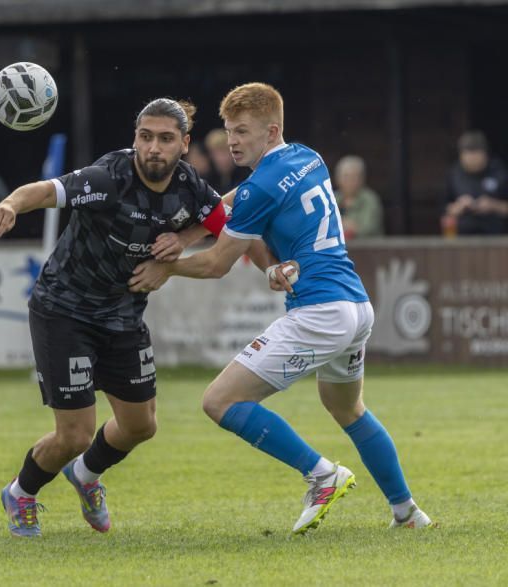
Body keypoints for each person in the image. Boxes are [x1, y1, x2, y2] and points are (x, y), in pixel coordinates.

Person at [129, 83, 433, 532]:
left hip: (321, 312)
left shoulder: (260, 186)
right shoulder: (307, 157)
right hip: (354, 305)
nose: (232, 140)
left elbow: (217, 264)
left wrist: (167, 268)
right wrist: (266, 265)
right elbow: (248, 202)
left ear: (271, 131)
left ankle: (322, 475)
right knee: (348, 409)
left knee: (219, 401)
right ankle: (407, 512)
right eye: (229, 130)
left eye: (243, 132)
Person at [0, 98, 232, 537]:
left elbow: (225, 220)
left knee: (141, 425)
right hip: (65, 310)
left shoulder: (191, 187)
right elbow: (44, 191)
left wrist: (183, 238)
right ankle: (21, 493)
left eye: (165, 139)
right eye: (145, 136)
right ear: (135, 137)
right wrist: (9, 204)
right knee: (75, 434)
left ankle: (84, 476)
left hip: (123, 314)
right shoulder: (107, 178)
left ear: (184, 144)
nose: (153, 148)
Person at [442, 130, 508, 235]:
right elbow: (444, 209)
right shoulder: (453, 174)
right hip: (462, 237)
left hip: (496, 237)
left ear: (485, 154)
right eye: (468, 155)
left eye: (475, 155)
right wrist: (459, 206)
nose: (472, 160)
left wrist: (494, 205)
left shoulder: (500, 172)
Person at [334, 155, 384, 239]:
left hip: (367, 249)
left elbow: (368, 228)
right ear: (338, 178)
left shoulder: (370, 199)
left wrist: (343, 224)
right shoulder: (332, 198)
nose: (350, 181)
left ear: (362, 179)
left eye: (354, 177)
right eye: (346, 176)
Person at [205, 127, 247, 193]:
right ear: (211, 155)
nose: (223, 158)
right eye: (218, 153)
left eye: (226, 151)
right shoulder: (206, 182)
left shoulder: (246, 176)